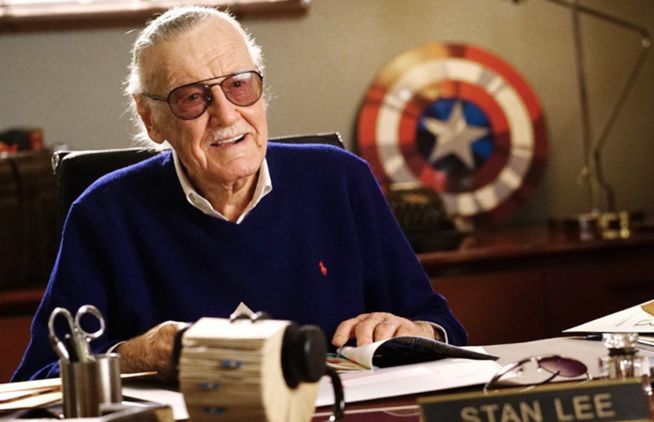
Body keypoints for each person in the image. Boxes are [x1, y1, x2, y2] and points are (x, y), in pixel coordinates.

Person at [13, 6, 467, 381]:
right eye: (192, 97)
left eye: (239, 85)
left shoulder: (341, 180)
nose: (227, 115)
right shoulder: (103, 213)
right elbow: (36, 381)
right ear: (151, 119)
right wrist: (133, 357)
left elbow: (444, 329)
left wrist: (410, 330)